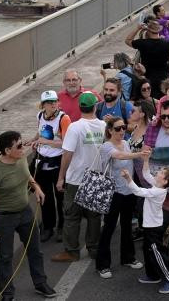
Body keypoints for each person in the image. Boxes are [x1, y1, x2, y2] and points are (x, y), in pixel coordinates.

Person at [0, 131, 58, 300]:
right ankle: (7, 293)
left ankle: (40, 283)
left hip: (25, 212)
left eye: (22, 144)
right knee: (5, 257)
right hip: (3, 218)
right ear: (7, 151)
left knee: (35, 251)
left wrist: (36, 188)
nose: (23, 148)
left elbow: (27, 175)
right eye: (19, 146)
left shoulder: (21, 158)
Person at [52, 92, 104, 263]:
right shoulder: (104, 126)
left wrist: (61, 178)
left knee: (72, 216)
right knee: (94, 216)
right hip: (96, 177)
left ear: (79, 108)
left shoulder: (75, 127)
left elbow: (67, 155)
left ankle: (72, 251)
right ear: (95, 107)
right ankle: (94, 248)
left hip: (76, 179)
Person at [96, 116, 148, 279]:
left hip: (128, 193)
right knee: (109, 228)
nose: (121, 131)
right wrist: (139, 153)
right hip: (113, 194)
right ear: (110, 130)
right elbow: (120, 156)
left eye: (123, 127)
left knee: (127, 227)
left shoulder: (125, 143)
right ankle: (102, 265)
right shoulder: (106, 146)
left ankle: (128, 257)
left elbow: (129, 162)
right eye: (117, 128)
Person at [120, 159, 169, 294]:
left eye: (161, 172)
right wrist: (146, 159)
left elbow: (138, 191)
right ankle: (153, 275)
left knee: (157, 253)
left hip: (154, 229)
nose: (158, 172)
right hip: (149, 227)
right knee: (148, 251)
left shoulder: (158, 192)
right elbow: (146, 174)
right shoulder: (157, 185)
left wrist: (128, 178)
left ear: (165, 181)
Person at [29, 90, 71, 244]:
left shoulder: (63, 118)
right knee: (44, 197)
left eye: (54, 101)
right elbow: (40, 131)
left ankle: (62, 227)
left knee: (60, 197)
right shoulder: (40, 116)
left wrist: (45, 142)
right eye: (49, 102)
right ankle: (48, 227)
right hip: (41, 161)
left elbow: (67, 143)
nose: (53, 104)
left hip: (58, 161)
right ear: (43, 105)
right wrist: (33, 140)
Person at [126, 16, 169, 99]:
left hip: (148, 77)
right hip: (164, 76)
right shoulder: (166, 43)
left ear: (148, 31)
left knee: (151, 100)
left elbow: (128, 40)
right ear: (158, 31)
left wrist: (137, 28)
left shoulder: (142, 43)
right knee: (164, 100)